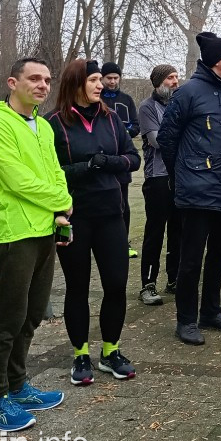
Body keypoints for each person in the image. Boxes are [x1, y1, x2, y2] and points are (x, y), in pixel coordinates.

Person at [0, 57, 71, 431]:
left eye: (47, 80)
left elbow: (54, 172)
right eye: (34, 78)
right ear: (12, 82)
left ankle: (17, 387)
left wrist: (62, 210)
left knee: (31, 315)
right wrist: (60, 201)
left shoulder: (43, 128)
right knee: (7, 320)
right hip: (14, 234)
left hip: (45, 229)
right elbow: (16, 181)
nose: (43, 85)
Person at [46, 59, 141, 385]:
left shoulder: (111, 119)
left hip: (111, 214)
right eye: (94, 80)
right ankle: (81, 354)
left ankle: (110, 352)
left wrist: (108, 162)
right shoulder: (54, 124)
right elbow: (50, 172)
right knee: (77, 288)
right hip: (72, 217)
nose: (101, 85)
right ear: (76, 83)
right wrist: (87, 167)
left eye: (102, 80)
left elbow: (133, 159)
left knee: (116, 285)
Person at [158, 31, 221, 345]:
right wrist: (181, 175)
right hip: (196, 191)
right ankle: (186, 320)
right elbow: (167, 139)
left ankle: (211, 310)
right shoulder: (188, 93)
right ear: (215, 60)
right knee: (191, 259)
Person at [137, 64, 181, 306]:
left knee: (179, 230)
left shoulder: (179, 105)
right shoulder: (147, 107)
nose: (175, 81)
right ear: (158, 82)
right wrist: (182, 133)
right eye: (170, 78)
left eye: (176, 77)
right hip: (158, 178)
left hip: (180, 176)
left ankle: (174, 279)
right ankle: (148, 284)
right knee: (155, 231)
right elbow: (156, 141)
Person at [100, 62, 140, 259]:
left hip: (122, 159)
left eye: (116, 78)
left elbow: (136, 126)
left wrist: (123, 133)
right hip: (100, 160)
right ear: (102, 78)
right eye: (109, 78)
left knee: (123, 202)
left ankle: (124, 241)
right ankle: (102, 241)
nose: (113, 81)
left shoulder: (127, 100)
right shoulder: (95, 98)